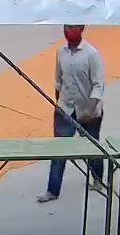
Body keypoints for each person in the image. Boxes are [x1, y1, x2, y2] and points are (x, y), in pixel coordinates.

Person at [40, 24, 105, 203]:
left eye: (72, 27)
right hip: (66, 109)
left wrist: (90, 111)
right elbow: (58, 81)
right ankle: (52, 190)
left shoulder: (91, 54)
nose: (68, 31)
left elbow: (99, 85)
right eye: (66, 27)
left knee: (91, 148)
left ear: (81, 29)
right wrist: (58, 105)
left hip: (88, 110)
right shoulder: (60, 52)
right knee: (59, 151)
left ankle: (98, 180)